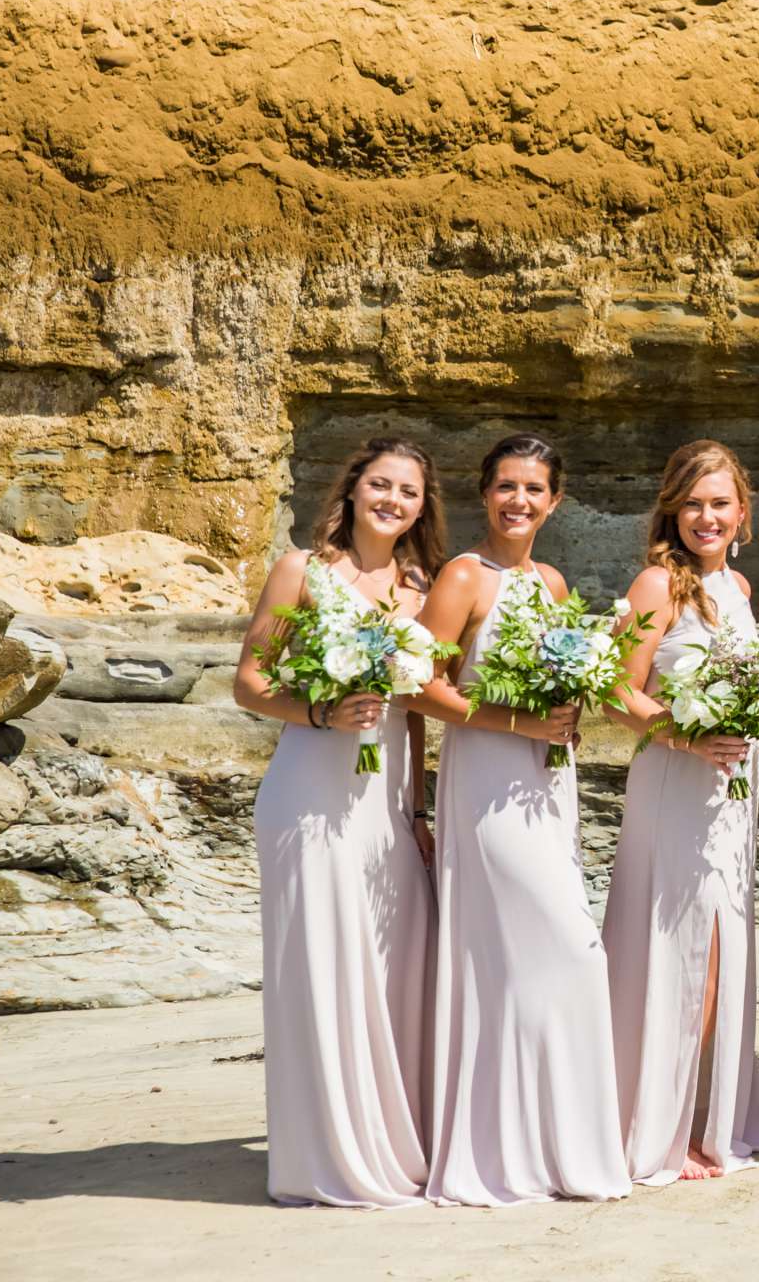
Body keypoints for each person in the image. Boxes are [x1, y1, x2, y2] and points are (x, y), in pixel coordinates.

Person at [415, 432, 629, 1205]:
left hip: (548, 785)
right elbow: (418, 685)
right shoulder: (463, 576)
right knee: (562, 952)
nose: (519, 501)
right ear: (485, 492)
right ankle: (500, 1152)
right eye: (507, 486)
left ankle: (549, 1145)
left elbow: (565, 689)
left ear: (555, 501)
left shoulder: (554, 583)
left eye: (534, 489)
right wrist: (516, 723)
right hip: (486, 782)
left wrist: (569, 715)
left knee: (548, 957)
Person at [237, 436, 446, 1207]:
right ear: (354, 488)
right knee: (321, 963)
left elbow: (418, 709)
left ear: (423, 507)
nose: (393, 500)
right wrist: (321, 710)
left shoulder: (421, 586)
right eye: (381, 484)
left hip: (385, 798)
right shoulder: (302, 569)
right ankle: (324, 1155)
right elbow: (250, 683)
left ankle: (393, 1139)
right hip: (309, 789)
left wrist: (417, 807)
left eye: (409, 492)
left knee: (394, 962)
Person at [601, 441, 759, 1184]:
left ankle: (709, 1116)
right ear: (672, 511)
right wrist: (685, 732)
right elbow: (615, 688)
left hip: (733, 800)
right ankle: (668, 1128)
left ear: (742, 513)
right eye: (694, 504)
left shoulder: (737, 586)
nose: (707, 516)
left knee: (721, 949)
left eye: (721, 503)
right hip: (676, 786)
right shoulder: (656, 586)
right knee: (683, 951)